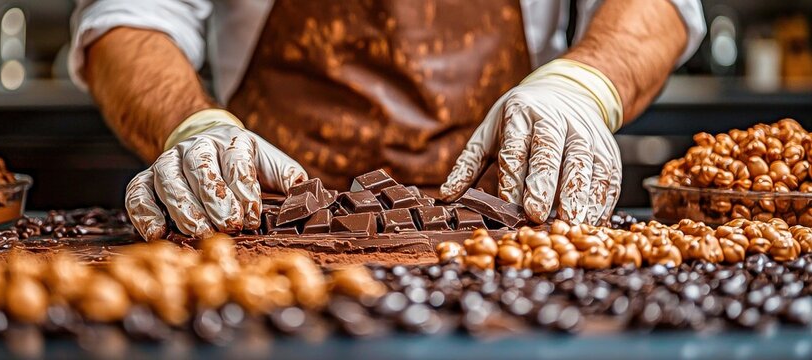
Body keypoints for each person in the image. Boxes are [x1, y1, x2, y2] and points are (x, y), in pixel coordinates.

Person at [69, 0, 705, 240]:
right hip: (257, 230)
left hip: (503, 228)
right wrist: (191, 128)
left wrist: (581, 86)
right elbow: (130, 19)